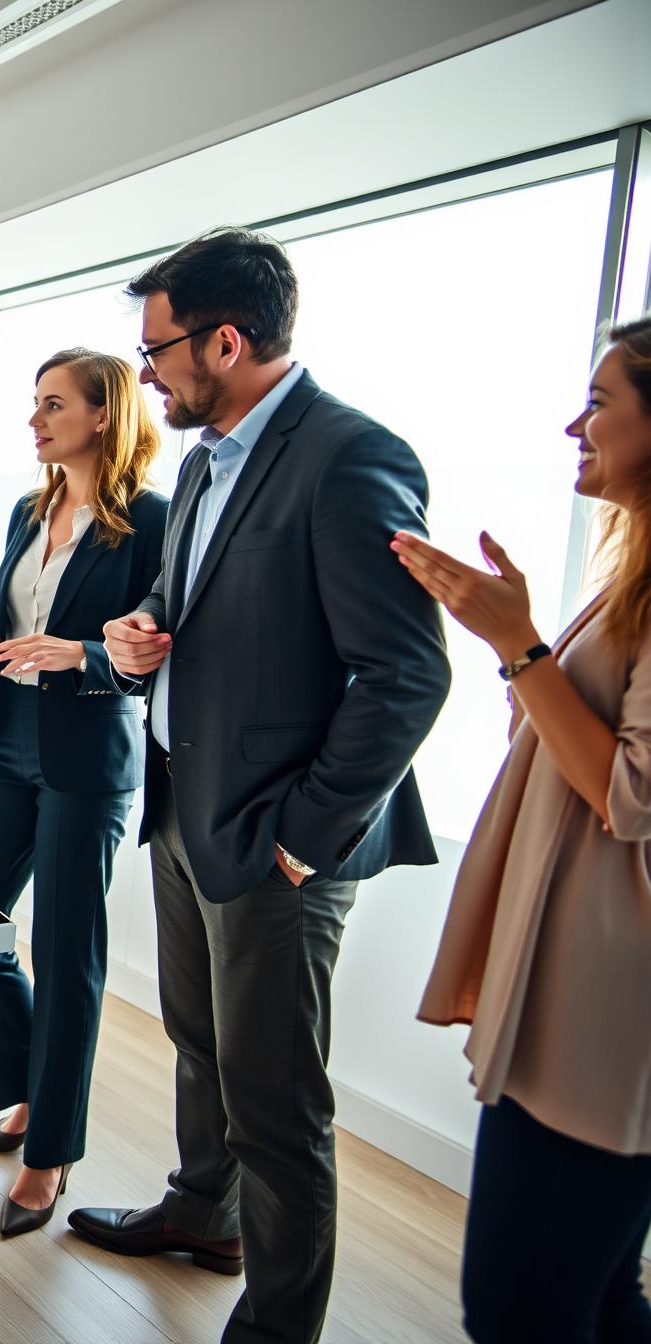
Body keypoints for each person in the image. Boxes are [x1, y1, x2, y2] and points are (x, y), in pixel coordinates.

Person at [73, 228, 451, 1343]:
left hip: (278, 840)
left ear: (226, 341)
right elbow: (192, 606)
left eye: (156, 352)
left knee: (278, 1103)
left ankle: (278, 1325)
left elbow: (406, 676)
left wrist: (305, 836)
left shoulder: (348, 457)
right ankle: (202, 1211)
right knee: (201, 1042)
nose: (145, 373)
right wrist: (141, 633)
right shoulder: (202, 462)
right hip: (187, 808)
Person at [402, 316, 651, 1344]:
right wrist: (525, 649)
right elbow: (563, 739)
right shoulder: (630, 579)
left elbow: (629, 794)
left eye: (598, 401)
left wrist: (516, 646)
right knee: (594, 1299)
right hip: (592, 999)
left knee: (519, 1311)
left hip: (609, 1013)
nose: (572, 424)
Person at [0, 348, 167, 1238]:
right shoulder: (26, 511)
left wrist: (86, 656)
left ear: (104, 414)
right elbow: (16, 620)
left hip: (88, 759)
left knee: (67, 954)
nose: (35, 421)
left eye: (53, 404)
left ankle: (50, 1155)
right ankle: (32, 1097)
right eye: (34, 404)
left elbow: (158, 650)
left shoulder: (151, 520)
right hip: (8, 743)